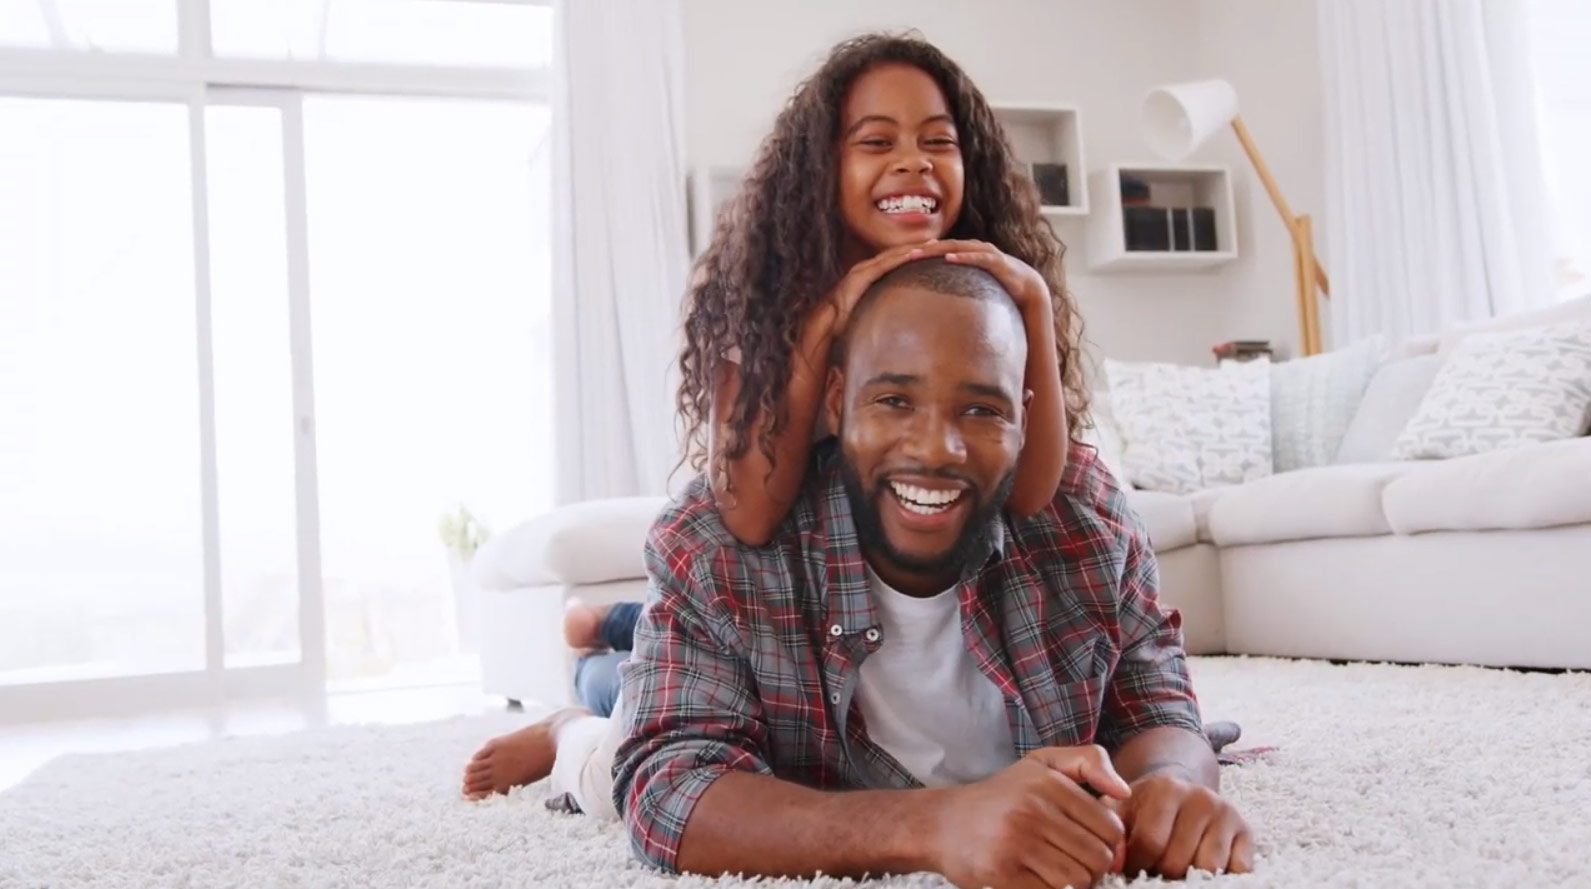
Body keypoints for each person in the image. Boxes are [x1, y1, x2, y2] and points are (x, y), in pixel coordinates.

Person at [612, 258, 1253, 888]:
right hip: (676, 722)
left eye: (981, 410)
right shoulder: (717, 542)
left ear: (1024, 419)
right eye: (894, 400)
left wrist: (1171, 784)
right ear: (836, 402)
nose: (936, 449)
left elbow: (1152, 700)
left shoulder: (1088, 518)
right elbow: (668, 789)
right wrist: (936, 825)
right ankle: (566, 729)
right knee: (597, 743)